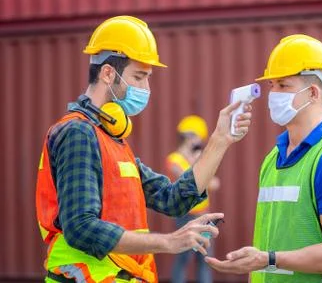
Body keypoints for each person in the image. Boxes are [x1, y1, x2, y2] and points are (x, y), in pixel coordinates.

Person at [35, 15, 252, 283]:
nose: (146, 88)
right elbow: (80, 228)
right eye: (139, 77)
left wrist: (220, 140)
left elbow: (172, 199)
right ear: (107, 73)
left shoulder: (112, 138)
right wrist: (168, 242)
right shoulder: (78, 134)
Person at [205, 34, 322, 282]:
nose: (273, 94)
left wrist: (268, 259)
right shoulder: (272, 158)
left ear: (313, 93)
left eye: (283, 86)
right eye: (272, 85)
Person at [167, 115, 220, 283]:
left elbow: (214, 183)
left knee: (204, 258)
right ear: (188, 137)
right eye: (197, 137)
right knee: (183, 257)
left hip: (204, 216)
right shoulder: (174, 159)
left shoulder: (199, 160)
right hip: (186, 217)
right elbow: (191, 181)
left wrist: (199, 162)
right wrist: (196, 161)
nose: (199, 142)